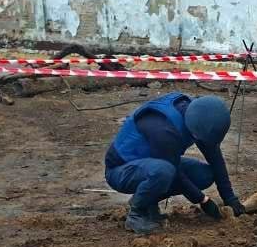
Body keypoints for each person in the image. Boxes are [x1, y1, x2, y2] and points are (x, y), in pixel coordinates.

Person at [105, 91, 246, 234]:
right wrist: (203, 200)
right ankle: (137, 214)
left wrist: (230, 198)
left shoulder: (197, 113)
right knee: (164, 171)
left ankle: (148, 200)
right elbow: (176, 175)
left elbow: (214, 157)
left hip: (155, 163)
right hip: (120, 170)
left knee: (204, 175)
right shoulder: (165, 131)